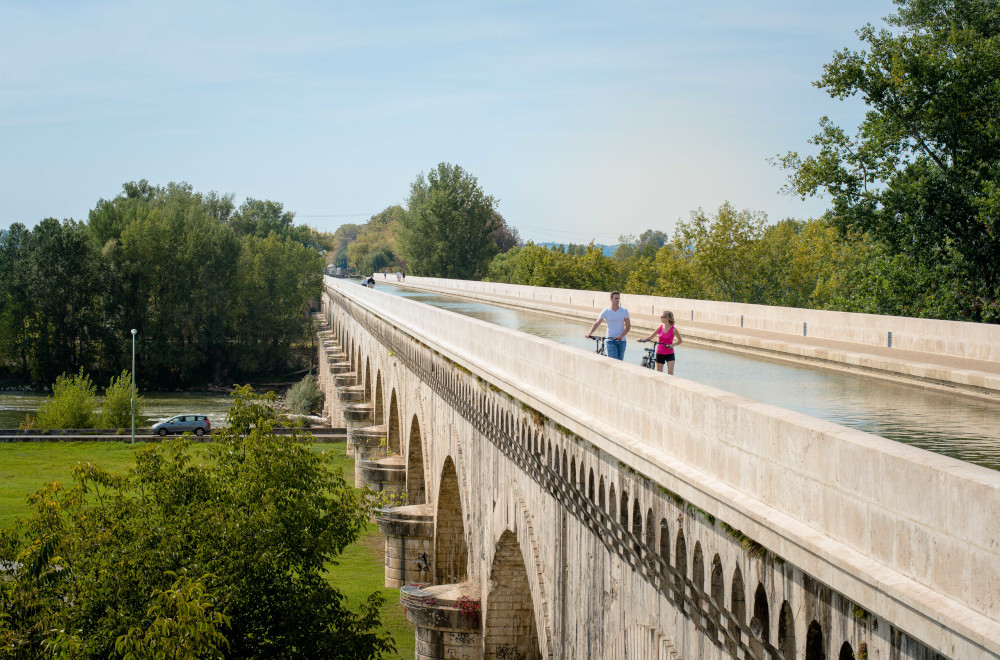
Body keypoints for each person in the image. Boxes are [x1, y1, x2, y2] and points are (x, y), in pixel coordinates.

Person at [586, 291, 630, 360]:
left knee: (620, 363)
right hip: (610, 340)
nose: (617, 300)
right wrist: (590, 333)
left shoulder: (624, 311)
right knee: (613, 362)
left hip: (622, 341)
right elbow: (597, 323)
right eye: (615, 298)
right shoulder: (606, 311)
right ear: (611, 299)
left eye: (618, 298)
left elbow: (628, 327)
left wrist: (621, 336)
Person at [642, 310, 683, 374]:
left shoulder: (674, 330)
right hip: (660, 353)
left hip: (670, 353)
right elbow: (650, 337)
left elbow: (680, 341)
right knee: (659, 373)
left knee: (670, 373)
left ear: (667, 318)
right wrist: (642, 340)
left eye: (662, 316)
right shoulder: (659, 328)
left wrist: (673, 344)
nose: (660, 318)